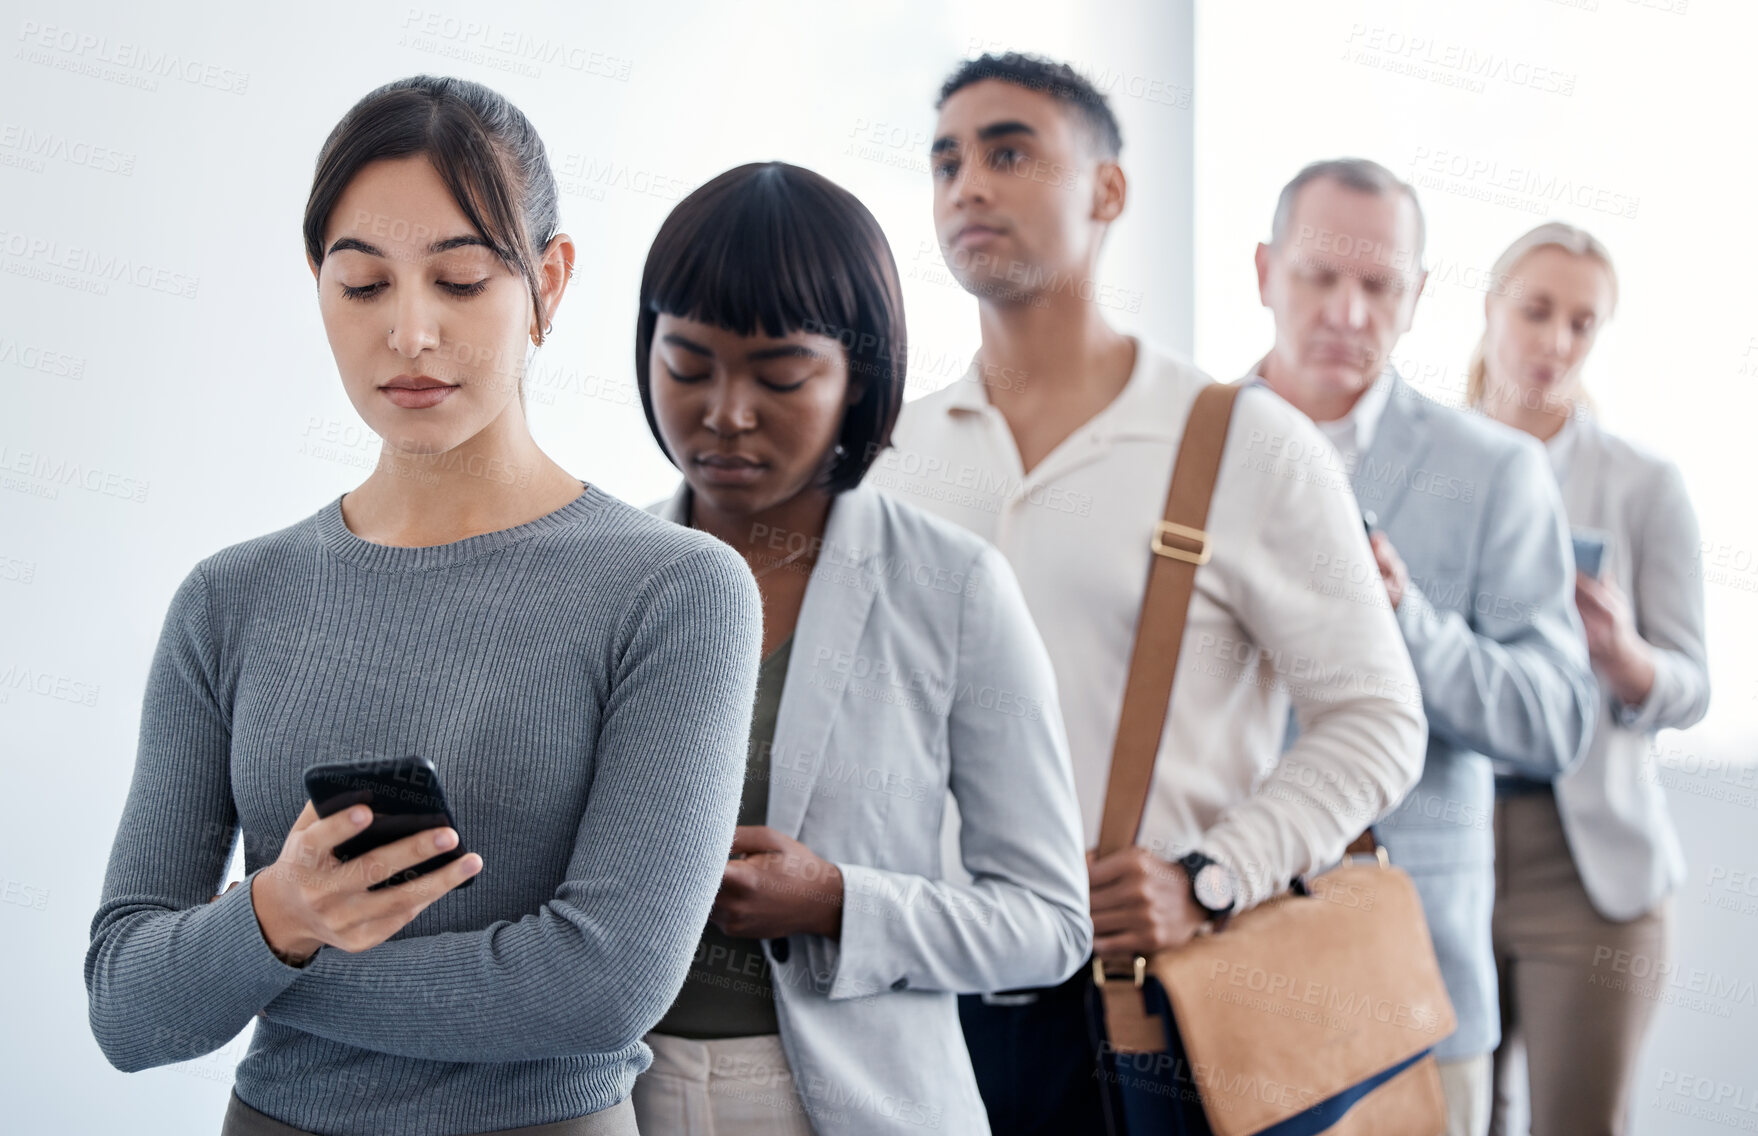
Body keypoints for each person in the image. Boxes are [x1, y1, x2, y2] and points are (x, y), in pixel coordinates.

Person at [84, 75, 762, 1136]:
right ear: (317, 283)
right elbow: (125, 1006)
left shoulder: (674, 591)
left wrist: (265, 952)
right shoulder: (228, 600)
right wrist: (277, 912)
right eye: (362, 286)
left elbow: (604, 985)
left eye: (458, 279)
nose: (409, 332)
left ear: (549, 280)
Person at [879, 54, 1428, 1134]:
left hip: (1150, 1014)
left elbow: (1378, 718)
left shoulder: (1243, 440)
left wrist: (1213, 875)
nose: (967, 186)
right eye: (946, 161)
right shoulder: (890, 449)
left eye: (1008, 151)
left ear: (1109, 190)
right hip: (920, 1009)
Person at [628, 160, 1091, 1136]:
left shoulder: (951, 588)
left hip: (857, 1102)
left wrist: (839, 900)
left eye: (781, 374)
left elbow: (1050, 925)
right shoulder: (602, 573)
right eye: (688, 362)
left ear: (859, 375)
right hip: (618, 1096)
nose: (725, 411)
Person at [1248, 160, 1599, 1136]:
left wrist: (1403, 615)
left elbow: (1554, 718)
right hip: (1208, 971)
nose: (1349, 311)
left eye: (1380, 285)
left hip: (1415, 985)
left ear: (1420, 297)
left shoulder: (1496, 471)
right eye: (1320, 275)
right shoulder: (1182, 446)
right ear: (1266, 271)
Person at [1468, 223, 1710, 1136]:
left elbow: (1691, 685)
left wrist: (1626, 659)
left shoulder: (1643, 483)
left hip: (1590, 869)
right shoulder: (1425, 462)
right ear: (1489, 307)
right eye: (1535, 311)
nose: (1556, 343)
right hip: (1437, 852)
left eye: (1583, 324)